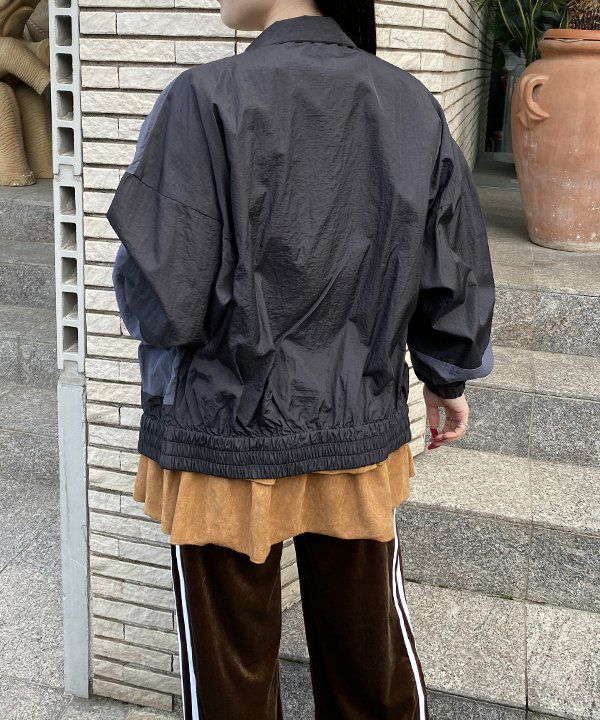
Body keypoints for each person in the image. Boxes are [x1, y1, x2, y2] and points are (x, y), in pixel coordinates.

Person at [107, 1, 496, 718]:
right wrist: (447, 375)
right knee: (367, 664)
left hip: (222, 429)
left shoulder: (201, 98)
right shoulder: (408, 102)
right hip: (354, 423)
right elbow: (451, 265)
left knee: (230, 676)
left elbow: (165, 297)